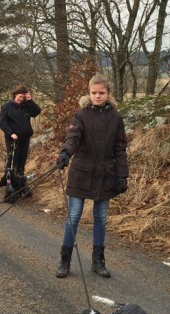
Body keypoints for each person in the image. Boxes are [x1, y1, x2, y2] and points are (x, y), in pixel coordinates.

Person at [55, 75, 128, 279]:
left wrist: (122, 175)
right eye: (94, 93)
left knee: (101, 218)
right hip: (81, 172)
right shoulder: (81, 115)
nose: (97, 96)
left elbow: (120, 149)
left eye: (101, 93)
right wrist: (65, 154)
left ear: (108, 94)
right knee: (74, 216)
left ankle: (98, 262)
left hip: (106, 174)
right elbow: (73, 138)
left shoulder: (116, 118)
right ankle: (64, 261)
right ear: (89, 93)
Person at [0, 84, 41, 181]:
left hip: (25, 137)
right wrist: (11, 133)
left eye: (23, 97)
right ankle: (9, 180)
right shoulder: (7, 106)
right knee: (13, 160)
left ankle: (20, 179)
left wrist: (30, 100)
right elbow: (2, 122)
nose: (21, 99)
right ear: (15, 95)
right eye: (20, 96)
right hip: (12, 138)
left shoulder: (27, 105)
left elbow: (36, 112)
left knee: (22, 159)